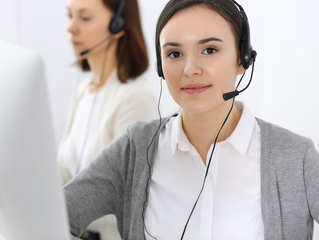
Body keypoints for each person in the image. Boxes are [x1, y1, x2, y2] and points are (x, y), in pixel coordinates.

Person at [64, 0, 319, 239]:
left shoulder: (296, 157)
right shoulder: (135, 148)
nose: (190, 69)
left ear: (242, 59)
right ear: (161, 67)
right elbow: (54, 216)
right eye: (174, 54)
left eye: (209, 50)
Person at [59, 0, 158, 239]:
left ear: (118, 26)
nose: (70, 27)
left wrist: (52, 204)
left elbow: (126, 200)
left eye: (84, 18)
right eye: (69, 16)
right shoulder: (84, 92)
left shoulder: (136, 99)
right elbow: (64, 174)